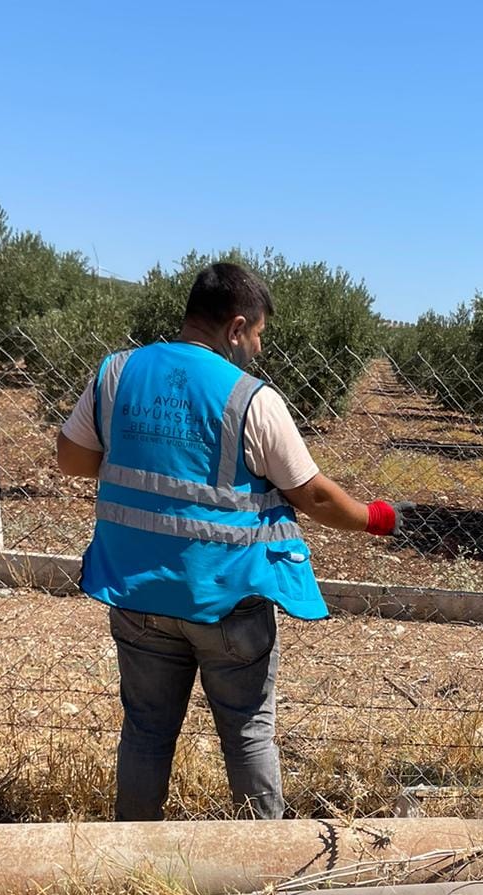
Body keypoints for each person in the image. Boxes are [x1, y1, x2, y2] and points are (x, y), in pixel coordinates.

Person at [56, 261, 398, 822]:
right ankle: (266, 868)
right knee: (247, 735)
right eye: (258, 334)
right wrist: (375, 518)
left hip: (137, 594)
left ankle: (129, 860)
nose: (259, 349)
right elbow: (311, 495)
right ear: (236, 327)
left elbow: (71, 458)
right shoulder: (251, 399)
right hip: (229, 602)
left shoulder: (117, 374)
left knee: (146, 732)